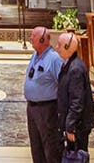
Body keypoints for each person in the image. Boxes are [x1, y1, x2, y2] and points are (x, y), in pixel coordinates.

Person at [24, 27, 64, 163]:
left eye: (33, 36)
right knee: (36, 147)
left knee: (50, 148)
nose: (30, 39)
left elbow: (64, 85)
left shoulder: (54, 59)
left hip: (47, 109)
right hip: (32, 108)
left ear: (42, 40)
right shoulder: (36, 55)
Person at [54, 31, 94, 155]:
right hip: (75, 124)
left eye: (60, 45)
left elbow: (76, 101)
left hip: (78, 125)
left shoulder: (75, 69)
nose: (57, 47)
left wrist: (70, 127)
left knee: (77, 157)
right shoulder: (69, 64)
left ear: (68, 47)